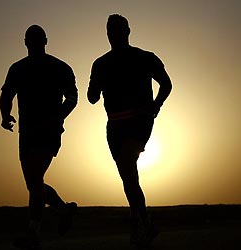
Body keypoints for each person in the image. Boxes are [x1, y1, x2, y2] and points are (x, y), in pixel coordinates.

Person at [87, 14, 172, 249]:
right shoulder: (100, 63)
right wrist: (98, 83)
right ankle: (139, 223)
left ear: (127, 31)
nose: (112, 33)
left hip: (139, 122)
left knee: (126, 166)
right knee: (129, 177)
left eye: (116, 29)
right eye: (110, 30)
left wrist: (155, 106)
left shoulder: (145, 57)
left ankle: (144, 223)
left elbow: (166, 83)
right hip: (114, 124)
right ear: (107, 34)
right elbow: (92, 98)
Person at [0, 25, 78, 250]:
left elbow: (72, 98)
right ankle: (63, 210)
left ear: (44, 41)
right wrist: (5, 116)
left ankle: (33, 232)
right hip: (27, 133)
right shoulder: (18, 69)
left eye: (36, 40)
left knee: (34, 180)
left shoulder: (60, 68)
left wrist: (56, 118)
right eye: (31, 40)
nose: (33, 44)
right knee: (34, 182)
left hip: (49, 133)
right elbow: (7, 94)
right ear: (26, 43)